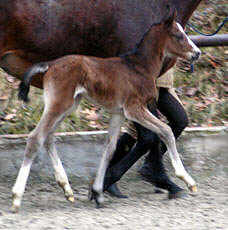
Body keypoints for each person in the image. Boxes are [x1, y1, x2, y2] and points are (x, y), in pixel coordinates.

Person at [106, 68, 189, 199]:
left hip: (163, 80)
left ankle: (151, 166)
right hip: (146, 79)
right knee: (141, 131)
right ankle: (109, 175)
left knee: (179, 120)